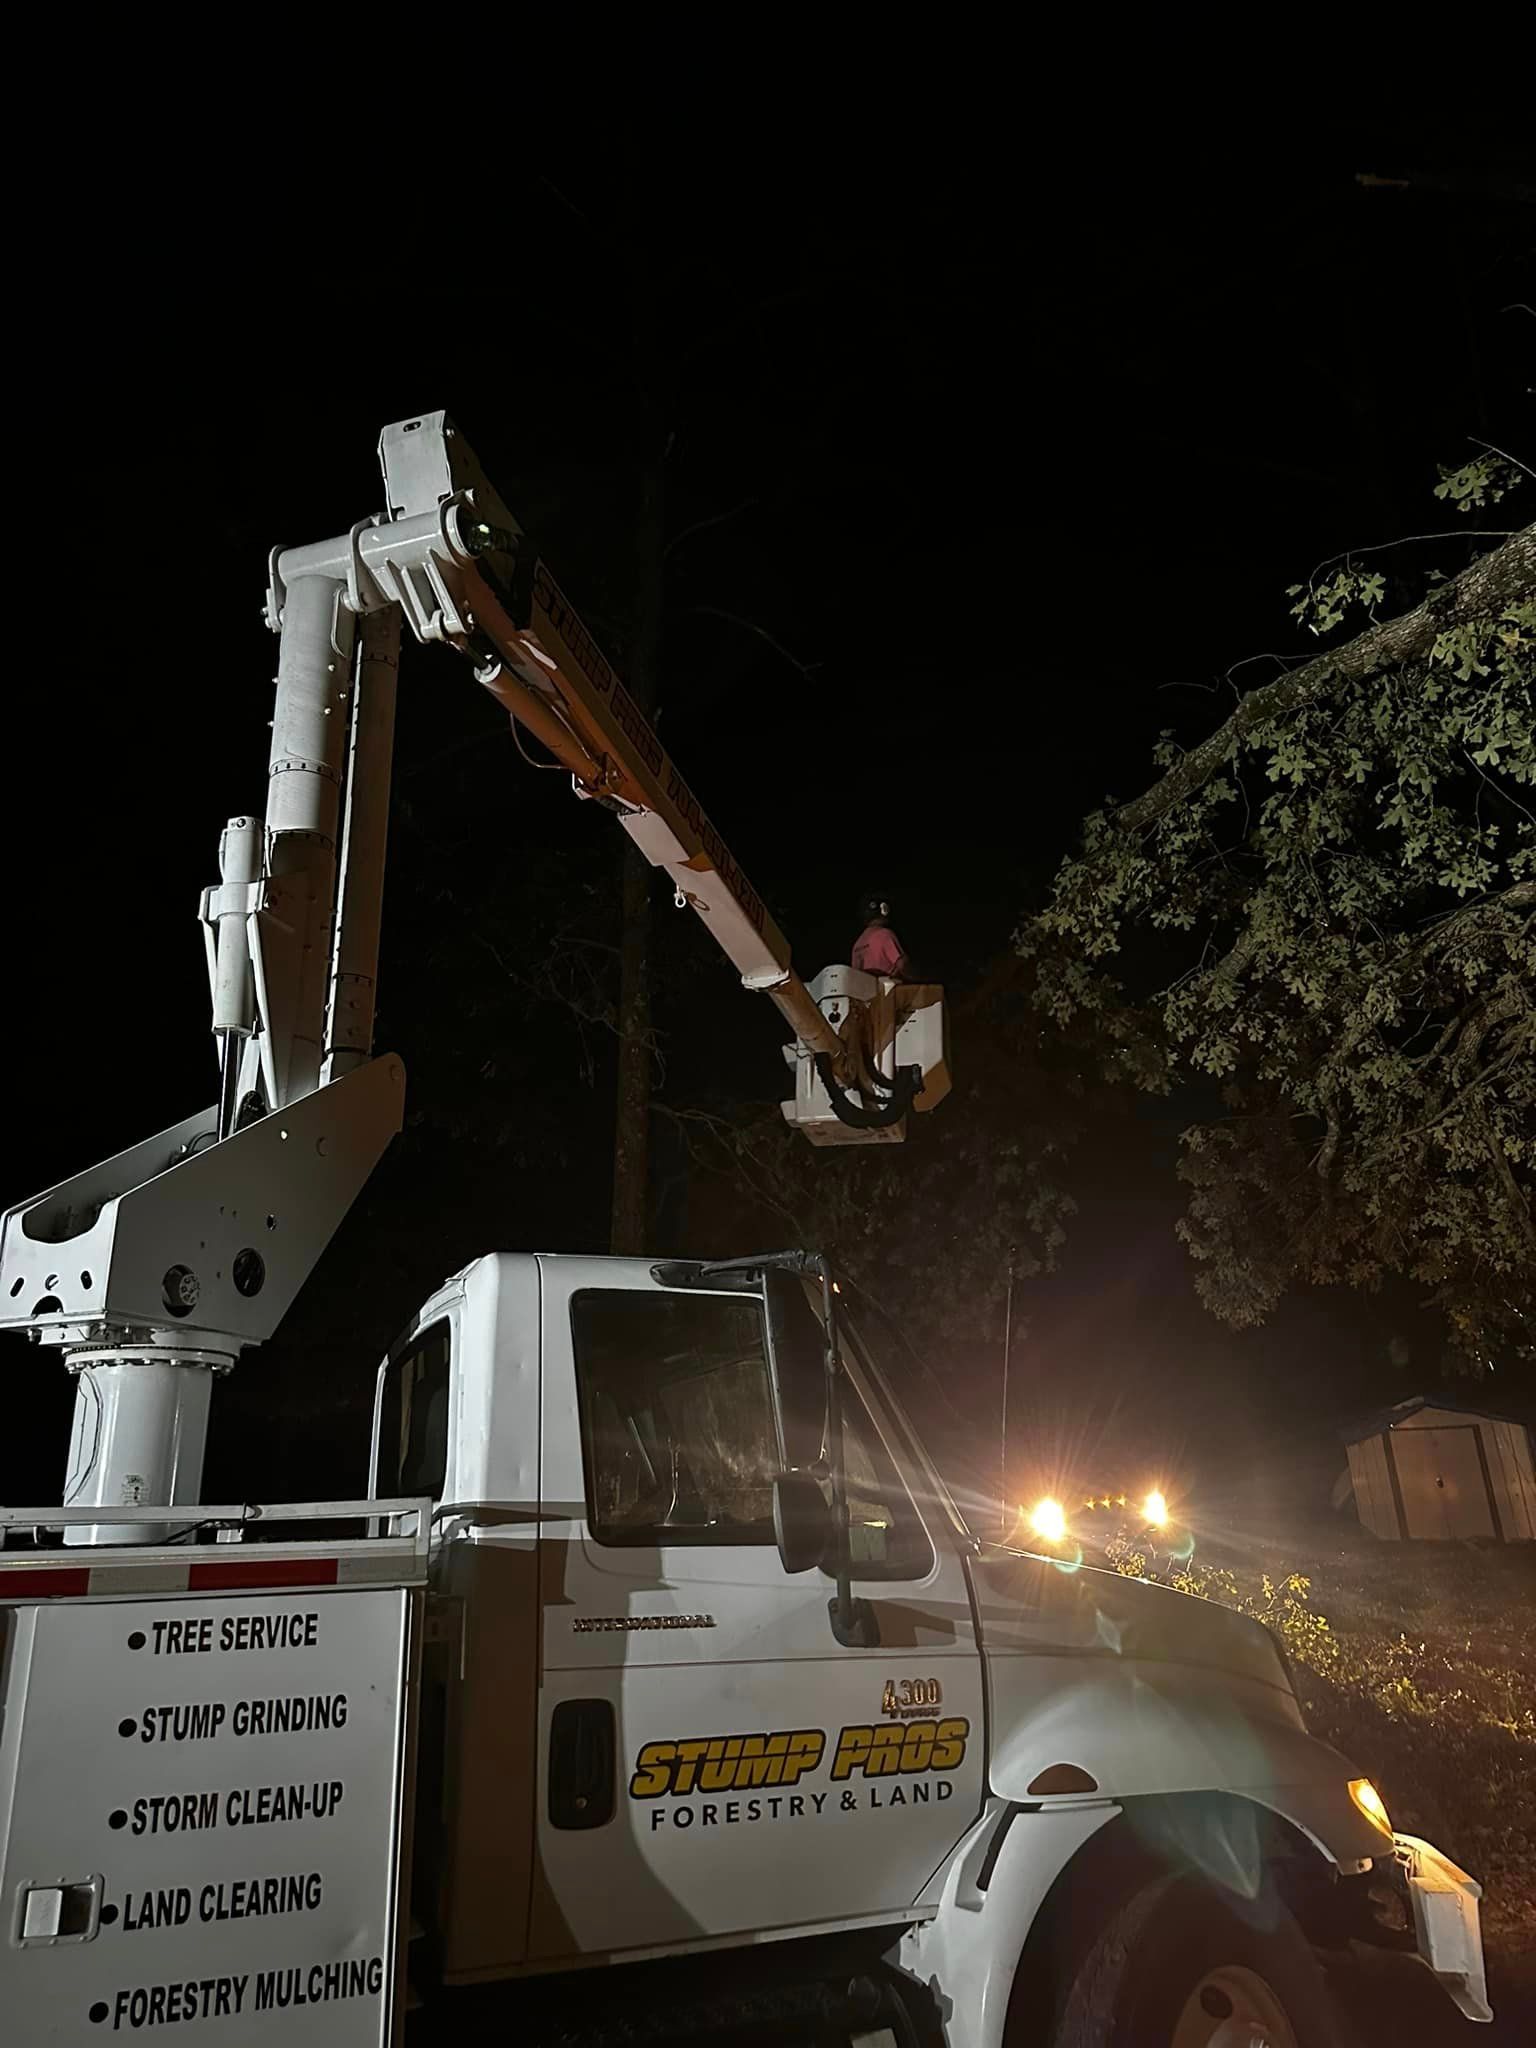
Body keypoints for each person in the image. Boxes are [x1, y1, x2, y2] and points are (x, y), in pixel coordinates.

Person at [851, 894, 909, 978]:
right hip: (887, 989)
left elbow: (855, 975)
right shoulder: (885, 934)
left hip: (865, 990)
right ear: (885, 911)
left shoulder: (858, 943)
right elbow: (902, 965)